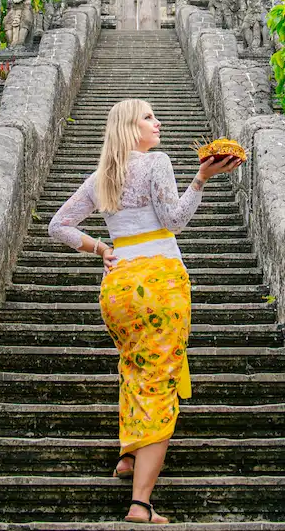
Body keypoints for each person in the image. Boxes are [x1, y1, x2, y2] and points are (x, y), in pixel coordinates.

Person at [48, 98, 242, 525]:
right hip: (159, 282)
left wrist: (101, 248)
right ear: (130, 128)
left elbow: (57, 225)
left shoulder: (101, 177)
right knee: (158, 379)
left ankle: (129, 456)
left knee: (135, 366)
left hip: (117, 286)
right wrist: (201, 179)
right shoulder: (157, 163)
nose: (159, 122)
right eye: (150, 117)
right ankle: (140, 503)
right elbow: (174, 221)